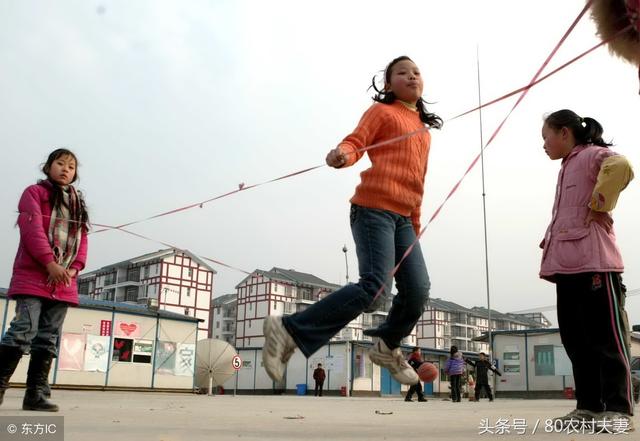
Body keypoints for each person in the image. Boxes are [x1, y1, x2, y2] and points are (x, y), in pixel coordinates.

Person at [262, 56, 441, 385]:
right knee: (375, 289)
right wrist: (342, 155)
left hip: (405, 219)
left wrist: (414, 225)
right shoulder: (382, 112)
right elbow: (357, 141)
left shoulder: (423, 131)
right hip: (373, 209)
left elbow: (419, 181)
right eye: (402, 73)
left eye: (416, 71)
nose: (412, 76)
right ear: (388, 84)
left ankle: (387, 346)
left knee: (418, 289)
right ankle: (287, 329)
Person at [539, 110, 634, 429]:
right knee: (576, 340)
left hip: (594, 262)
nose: (544, 145)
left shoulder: (593, 154)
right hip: (566, 267)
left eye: (546, 137)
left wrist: (600, 202)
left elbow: (621, 166)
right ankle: (589, 407)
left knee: (606, 338)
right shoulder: (567, 167)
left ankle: (618, 408)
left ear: (564, 133)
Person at [0, 148, 89, 412]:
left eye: (71, 166)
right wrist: (50, 263)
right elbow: (32, 230)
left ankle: (36, 395)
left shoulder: (77, 202)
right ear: (47, 167)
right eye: (60, 163)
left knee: (48, 338)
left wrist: (73, 269)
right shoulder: (34, 193)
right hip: (34, 274)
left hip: (63, 281)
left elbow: (82, 240)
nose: (65, 169)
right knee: (22, 331)